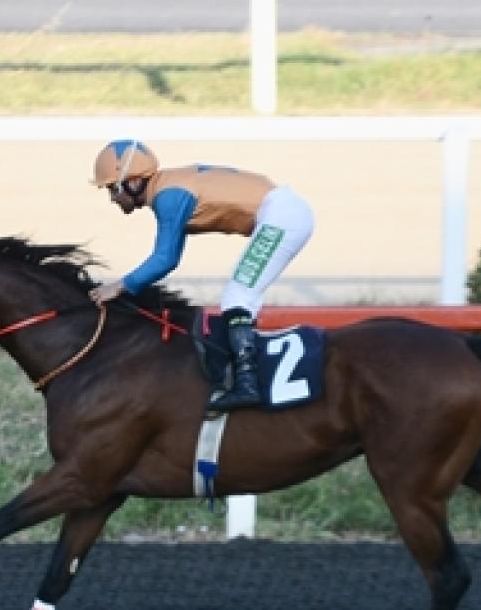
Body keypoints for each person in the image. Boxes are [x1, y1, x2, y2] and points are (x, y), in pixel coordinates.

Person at [88, 139, 315, 413]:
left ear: (134, 182)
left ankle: (248, 383)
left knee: (238, 295)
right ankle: (242, 371)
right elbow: (171, 254)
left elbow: (165, 259)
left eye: (113, 188)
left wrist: (121, 286)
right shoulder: (170, 188)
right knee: (241, 293)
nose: (112, 198)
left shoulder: (169, 196)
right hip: (283, 211)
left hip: (283, 216)